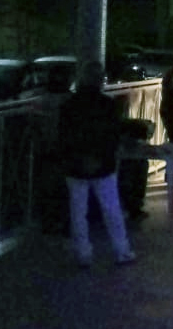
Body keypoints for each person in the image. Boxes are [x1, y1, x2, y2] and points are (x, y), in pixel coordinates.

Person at [58, 60, 135, 267]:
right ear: (100, 80)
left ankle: (83, 253)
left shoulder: (69, 105)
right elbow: (112, 136)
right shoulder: (107, 105)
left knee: (78, 211)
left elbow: (65, 137)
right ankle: (122, 250)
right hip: (103, 165)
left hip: (75, 165)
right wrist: (100, 157)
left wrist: (77, 158)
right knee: (111, 209)